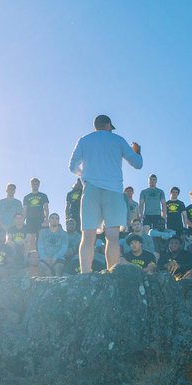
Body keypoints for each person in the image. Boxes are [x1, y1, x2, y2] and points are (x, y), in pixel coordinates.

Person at [68, 115, 144, 272]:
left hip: (91, 190)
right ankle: (111, 273)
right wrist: (137, 152)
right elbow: (138, 164)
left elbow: (72, 166)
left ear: (96, 126)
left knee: (88, 237)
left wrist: (84, 176)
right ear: (108, 125)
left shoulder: (84, 140)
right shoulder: (118, 140)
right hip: (113, 191)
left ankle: (85, 274)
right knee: (113, 237)